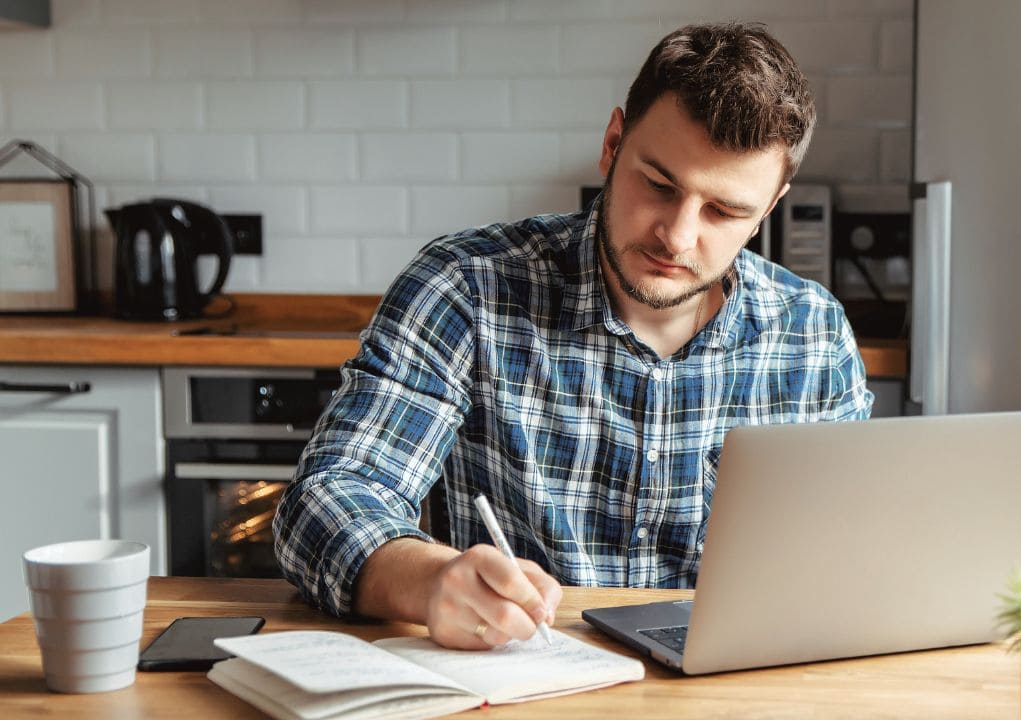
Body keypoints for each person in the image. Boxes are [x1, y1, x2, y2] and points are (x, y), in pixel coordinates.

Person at [273, 21, 874, 651]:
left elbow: (854, 552)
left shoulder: (813, 334)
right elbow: (328, 501)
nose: (677, 235)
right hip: (521, 680)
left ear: (770, 207)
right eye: (660, 185)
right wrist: (430, 582)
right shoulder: (467, 289)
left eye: (724, 211)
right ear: (613, 143)